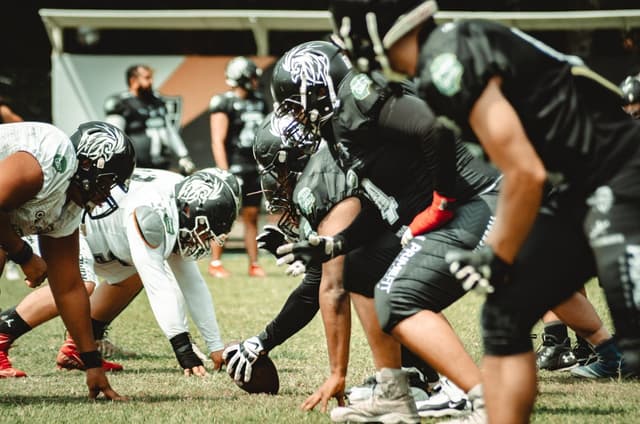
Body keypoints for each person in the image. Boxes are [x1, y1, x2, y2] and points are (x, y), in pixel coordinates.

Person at [328, 1, 640, 422]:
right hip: (581, 184)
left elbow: (523, 172)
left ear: (369, 29)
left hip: (619, 172)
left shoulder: (445, 61)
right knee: (505, 314)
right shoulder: (445, 53)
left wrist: (498, 254)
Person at [269, 40, 503, 422]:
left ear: (318, 86)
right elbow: (385, 205)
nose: (296, 116)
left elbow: (433, 127)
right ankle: (395, 392)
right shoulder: (340, 129)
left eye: (296, 103)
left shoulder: (357, 97)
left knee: (398, 298)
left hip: (481, 198)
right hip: (462, 204)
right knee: (360, 268)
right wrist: (334, 245)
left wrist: (442, 198)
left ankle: (480, 399)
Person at [225, 114, 450, 415]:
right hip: (424, 224)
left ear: (292, 159)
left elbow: (326, 287)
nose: (275, 180)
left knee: (367, 274)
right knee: (367, 272)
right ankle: (417, 377)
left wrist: (264, 342)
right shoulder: (328, 164)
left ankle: (434, 381)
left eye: (277, 168)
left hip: (438, 226)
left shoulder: (322, 182)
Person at [0, 167, 239, 377]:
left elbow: (191, 282)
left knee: (136, 273)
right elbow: (160, 286)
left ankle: (80, 348)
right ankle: (2, 335)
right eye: (206, 232)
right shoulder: (153, 213)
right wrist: (182, 347)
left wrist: (215, 345)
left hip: (103, 233)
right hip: (70, 220)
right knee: (81, 283)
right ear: (191, 209)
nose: (206, 240)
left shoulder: (176, 198)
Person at [0, 120, 134, 398]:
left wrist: (92, 364)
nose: (107, 192)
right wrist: (24, 255)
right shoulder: (51, 157)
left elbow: (69, 286)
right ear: (87, 164)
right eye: (107, 180)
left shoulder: (67, 205)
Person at [208, 56, 267, 278]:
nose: (254, 81)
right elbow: (217, 140)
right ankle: (215, 262)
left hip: (253, 167)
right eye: (251, 77)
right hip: (234, 166)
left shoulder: (259, 101)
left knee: (251, 215)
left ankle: (254, 263)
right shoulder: (223, 102)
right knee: (225, 216)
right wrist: (225, 172)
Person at [105, 64, 196, 175]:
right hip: (137, 170)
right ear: (133, 80)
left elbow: (170, 131)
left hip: (163, 165)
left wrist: (183, 155)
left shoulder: (157, 100)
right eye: (147, 78)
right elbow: (114, 137)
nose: (151, 81)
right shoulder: (122, 103)